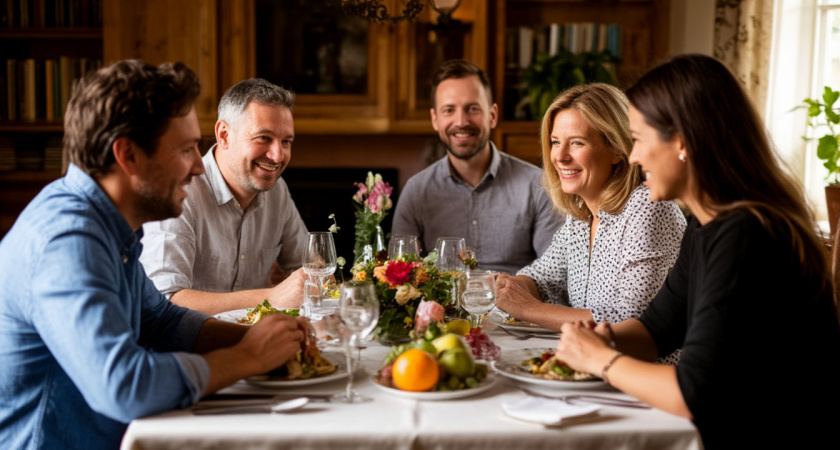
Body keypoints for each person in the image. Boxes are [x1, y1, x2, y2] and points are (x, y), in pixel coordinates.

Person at [0, 60, 310, 449]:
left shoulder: (108, 225)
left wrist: (263, 339)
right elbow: (125, 386)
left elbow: (160, 320)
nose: (200, 166)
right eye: (185, 149)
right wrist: (247, 357)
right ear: (128, 155)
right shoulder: (68, 240)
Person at [554, 55, 840, 448]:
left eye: (638, 139)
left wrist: (600, 360)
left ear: (682, 142)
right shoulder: (705, 227)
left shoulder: (748, 236)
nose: (633, 156)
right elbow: (655, 330)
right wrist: (604, 339)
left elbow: (693, 392)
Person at [495, 84, 686, 343]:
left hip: (644, 376)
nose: (560, 157)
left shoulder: (648, 206)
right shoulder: (582, 214)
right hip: (591, 365)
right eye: (555, 142)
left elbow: (629, 319)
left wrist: (528, 309)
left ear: (617, 149)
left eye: (577, 143)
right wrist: (503, 288)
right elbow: (543, 278)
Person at [140, 78, 308, 315]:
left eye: (286, 141)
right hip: (190, 347)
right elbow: (165, 300)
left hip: (255, 342)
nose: (277, 155)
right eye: (264, 138)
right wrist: (270, 297)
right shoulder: (180, 191)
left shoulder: (277, 191)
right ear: (224, 135)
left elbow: (307, 270)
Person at [391, 60, 563, 274]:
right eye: (449, 110)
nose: (461, 121)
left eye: (472, 108)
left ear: (492, 116)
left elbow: (555, 272)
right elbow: (401, 275)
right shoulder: (416, 192)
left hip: (515, 305)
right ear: (435, 119)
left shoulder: (538, 186)